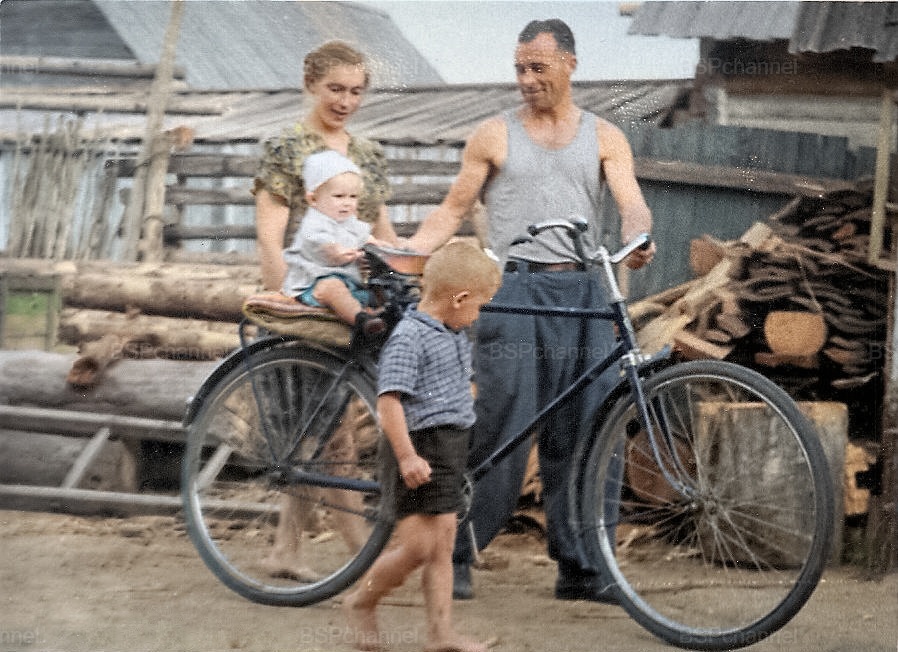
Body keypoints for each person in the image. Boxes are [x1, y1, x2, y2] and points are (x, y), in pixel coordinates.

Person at [405, 19, 655, 602]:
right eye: (520, 68)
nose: (527, 79)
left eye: (538, 67)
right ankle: (455, 554)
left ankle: (586, 568)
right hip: (512, 293)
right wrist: (411, 252)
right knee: (501, 426)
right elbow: (452, 209)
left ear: (570, 64)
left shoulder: (604, 136)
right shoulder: (493, 135)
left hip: (586, 295)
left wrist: (641, 238)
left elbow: (633, 205)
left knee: (593, 429)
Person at [252, 40, 397, 580]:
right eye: (335, 88)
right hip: (306, 297)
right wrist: (286, 307)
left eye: (356, 90)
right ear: (311, 82)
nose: (345, 101)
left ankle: (286, 549)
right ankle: (364, 549)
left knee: (321, 425)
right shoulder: (288, 148)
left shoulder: (369, 156)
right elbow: (270, 237)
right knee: (324, 427)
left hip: (354, 300)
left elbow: (380, 235)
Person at [342, 240, 500, 652]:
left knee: (443, 545)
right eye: (479, 306)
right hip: (418, 447)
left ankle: (440, 634)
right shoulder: (409, 337)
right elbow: (389, 402)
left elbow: (455, 384)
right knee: (416, 547)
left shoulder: (451, 332)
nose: (477, 314)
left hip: (449, 446)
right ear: (459, 298)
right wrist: (407, 455)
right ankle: (362, 601)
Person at [282, 149, 387, 337]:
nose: (347, 203)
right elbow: (322, 245)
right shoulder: (314, 223)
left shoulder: (349, 221)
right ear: (313, 199)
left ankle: (381, 315)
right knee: (332, 288)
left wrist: (378, 247)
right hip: (314, 282)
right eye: (339, 197)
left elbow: (364, 237)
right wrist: (338, 252)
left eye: (353, 197)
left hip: (350, 281)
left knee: (382, 286)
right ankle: (362, 320)